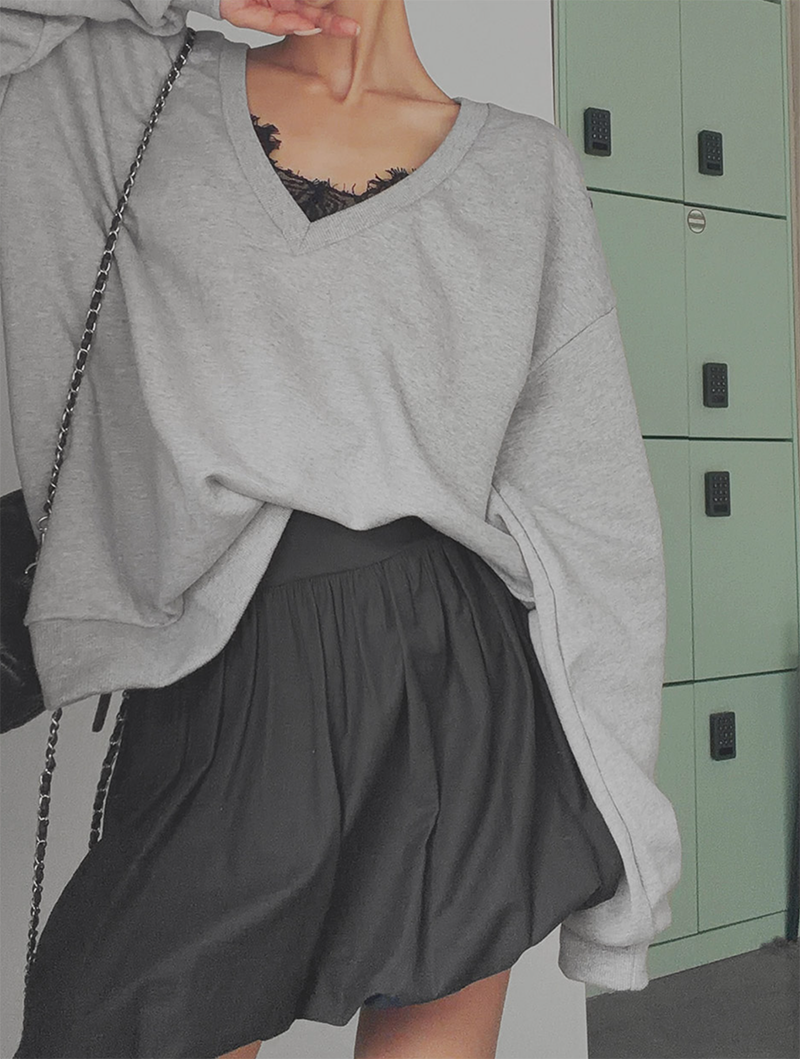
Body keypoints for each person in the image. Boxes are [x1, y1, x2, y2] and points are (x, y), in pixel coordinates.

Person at [1, 1, 682, 1057]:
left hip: (462, 683)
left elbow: (592, 515)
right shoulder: (124, 84)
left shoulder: (523, 170)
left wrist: (627, 851)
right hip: (226, 679)